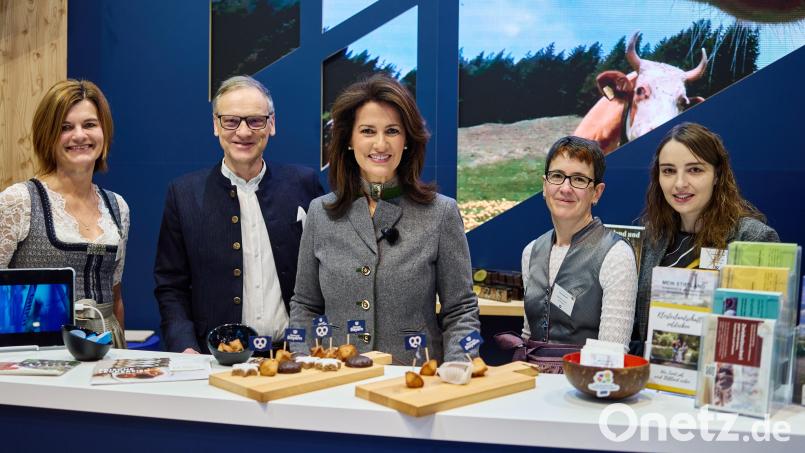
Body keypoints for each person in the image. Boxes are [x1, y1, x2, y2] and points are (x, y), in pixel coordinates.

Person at [289, 74, 480, 362]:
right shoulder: (320, 212)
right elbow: (305, 305)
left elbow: (462, 310)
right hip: (334, 385)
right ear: (349, 141)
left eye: (392, 131)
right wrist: (303, 362)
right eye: (367, 131)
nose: (380, 144)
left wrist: (459, 365)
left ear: (407, 141)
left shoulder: (441, 213)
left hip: (414, 386)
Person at [154, 75, 323, 354]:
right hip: (215, 360)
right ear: (215, 126)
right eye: (231, 121)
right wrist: (185, 346)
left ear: (271, 124)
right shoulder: (184, 195)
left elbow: (324, 274)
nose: (243, 132)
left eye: (255, 120)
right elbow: (171, 286)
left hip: (294, 357)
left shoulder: (304, 185)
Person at [0, 79, 129, 348]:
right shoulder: (19, 202)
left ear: (104, 130)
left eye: (90, 125)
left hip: (107, 350)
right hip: (40, 355)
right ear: (47, 135)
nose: (79, 136)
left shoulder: (117, 207)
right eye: (65, 128)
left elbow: (116, 296)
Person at [631, 122, 779, 354]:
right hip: (654, 383)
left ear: (717, 175)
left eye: (695, 170)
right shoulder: (651, 238)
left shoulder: (753, 239)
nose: (679, 183)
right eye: (669, 171)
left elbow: (764, 339)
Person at [521, 136, 637, 351]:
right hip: (533, 380)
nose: (565, 188)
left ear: (596, 193)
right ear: (545, 186)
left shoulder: (616, 255)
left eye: (579, 179)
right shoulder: (531, 252)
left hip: (585, 381)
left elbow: (613, 353)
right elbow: (528, 337)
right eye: (557, 176)